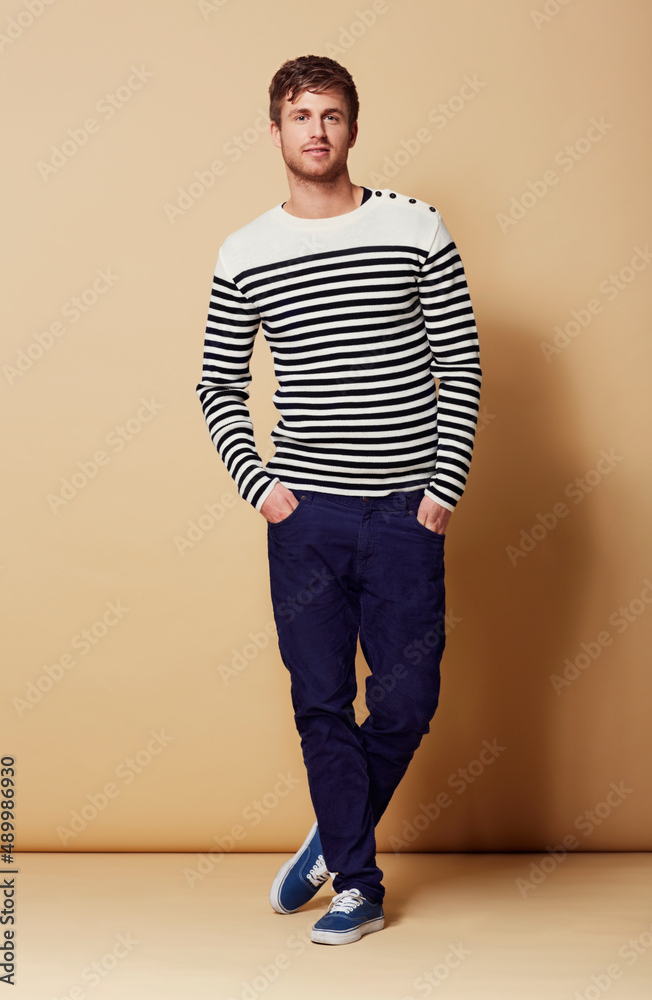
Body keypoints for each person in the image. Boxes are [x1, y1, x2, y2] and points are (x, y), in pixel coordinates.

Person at [195, 54, 482, 946]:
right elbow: (217, 384)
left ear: (351, 127)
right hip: (306, 518)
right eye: (297, 114)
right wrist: (265, 493)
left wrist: (441, 489)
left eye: (329, 114)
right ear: (274, 131)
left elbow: (461, 362)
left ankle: (335, 824)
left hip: (403, 513)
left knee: (404, 704)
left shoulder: (416, 228)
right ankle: (357, 883)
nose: (314, 129)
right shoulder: (245, 250)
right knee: (319, 700)